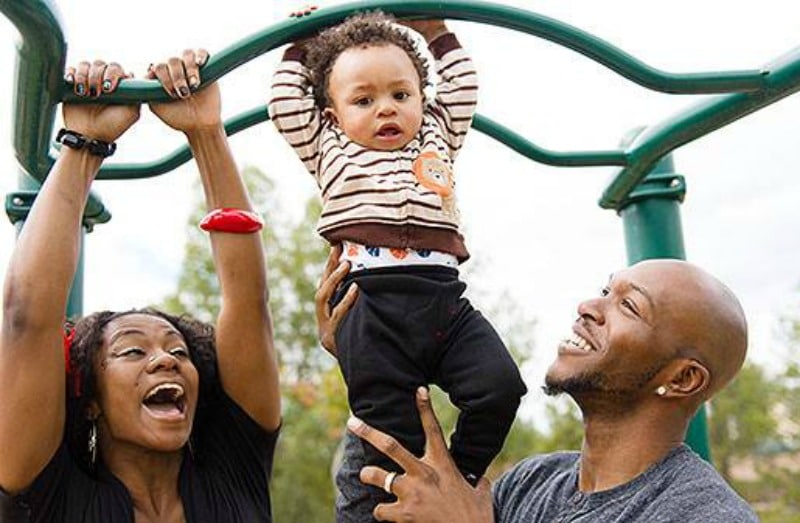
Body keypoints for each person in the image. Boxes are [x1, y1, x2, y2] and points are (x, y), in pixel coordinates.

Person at [269, 10, 527, 522]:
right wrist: (299, 41)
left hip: (444, 301)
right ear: (331, 113)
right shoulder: (329, 148)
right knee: (389, 436)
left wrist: (435, 30)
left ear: (421, 99)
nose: (385, 109)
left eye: (400, 95)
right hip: (371, 305)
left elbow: (463, 83)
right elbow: (283, 102)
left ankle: (461, 476)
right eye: (363, 100)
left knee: (499, 386)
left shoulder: (437, 134)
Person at [0, 52, 280, 522]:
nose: (166, 359)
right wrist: (83, 143)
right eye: (133, 352)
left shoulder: (233, 475)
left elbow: (247, 300)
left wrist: (206, 133)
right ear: (90, 400)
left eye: (179, 352)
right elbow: (27, 316)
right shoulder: (54, 500)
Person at [316, 255, 759, 522]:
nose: (589, 306)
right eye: (605, 290)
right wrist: (373, 359)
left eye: (628, 305)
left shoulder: (702, 515)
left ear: (682, 379)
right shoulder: (530, 484)